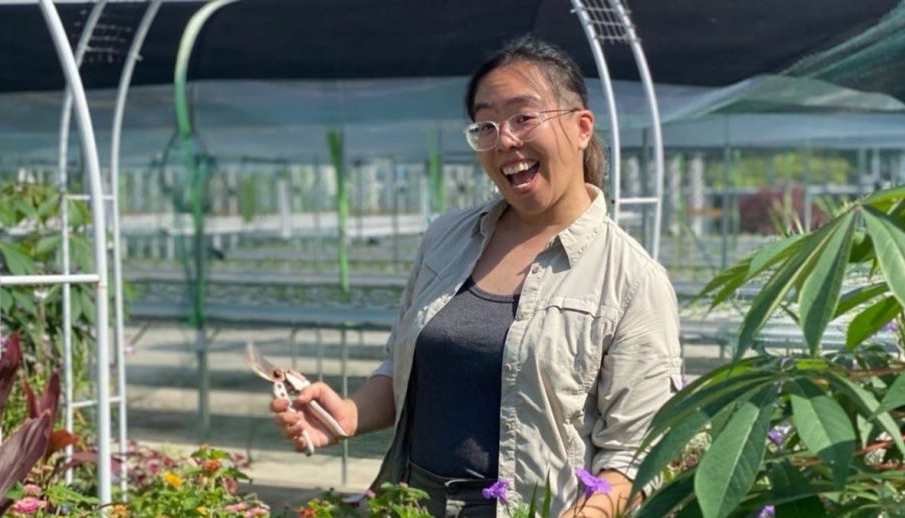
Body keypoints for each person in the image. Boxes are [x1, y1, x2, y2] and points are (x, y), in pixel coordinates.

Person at [271, 35, 683, 518]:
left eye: (523, 117)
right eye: (485, 125)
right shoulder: (448, 238)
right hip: (411, 503)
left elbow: (636, 455)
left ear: (581, 127)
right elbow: (402, 367)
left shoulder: (631, 279)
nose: (505, 139)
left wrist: (589, 514)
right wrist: (347, 414)